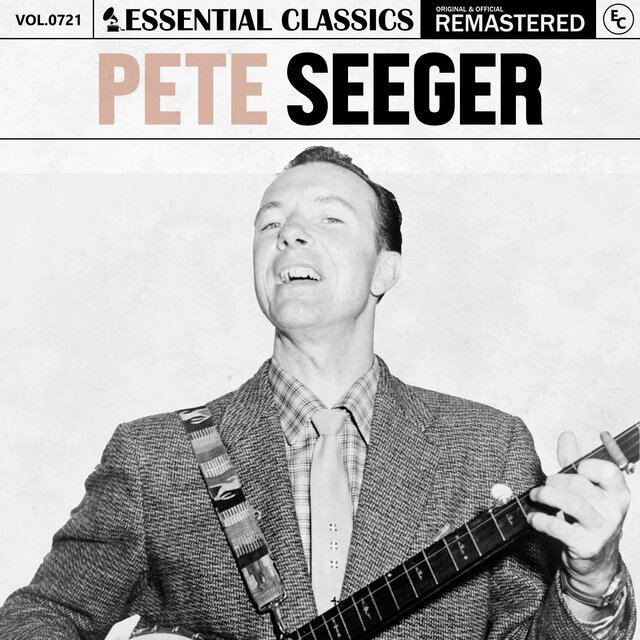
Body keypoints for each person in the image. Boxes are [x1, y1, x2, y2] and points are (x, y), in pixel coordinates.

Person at [0, 146, 635, 640]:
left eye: (330, 218)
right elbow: (37, 616)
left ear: (385, 269)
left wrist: (592, 579)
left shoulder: (488, 447)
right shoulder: (154, 455)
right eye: (270, 223)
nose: (290, 234)